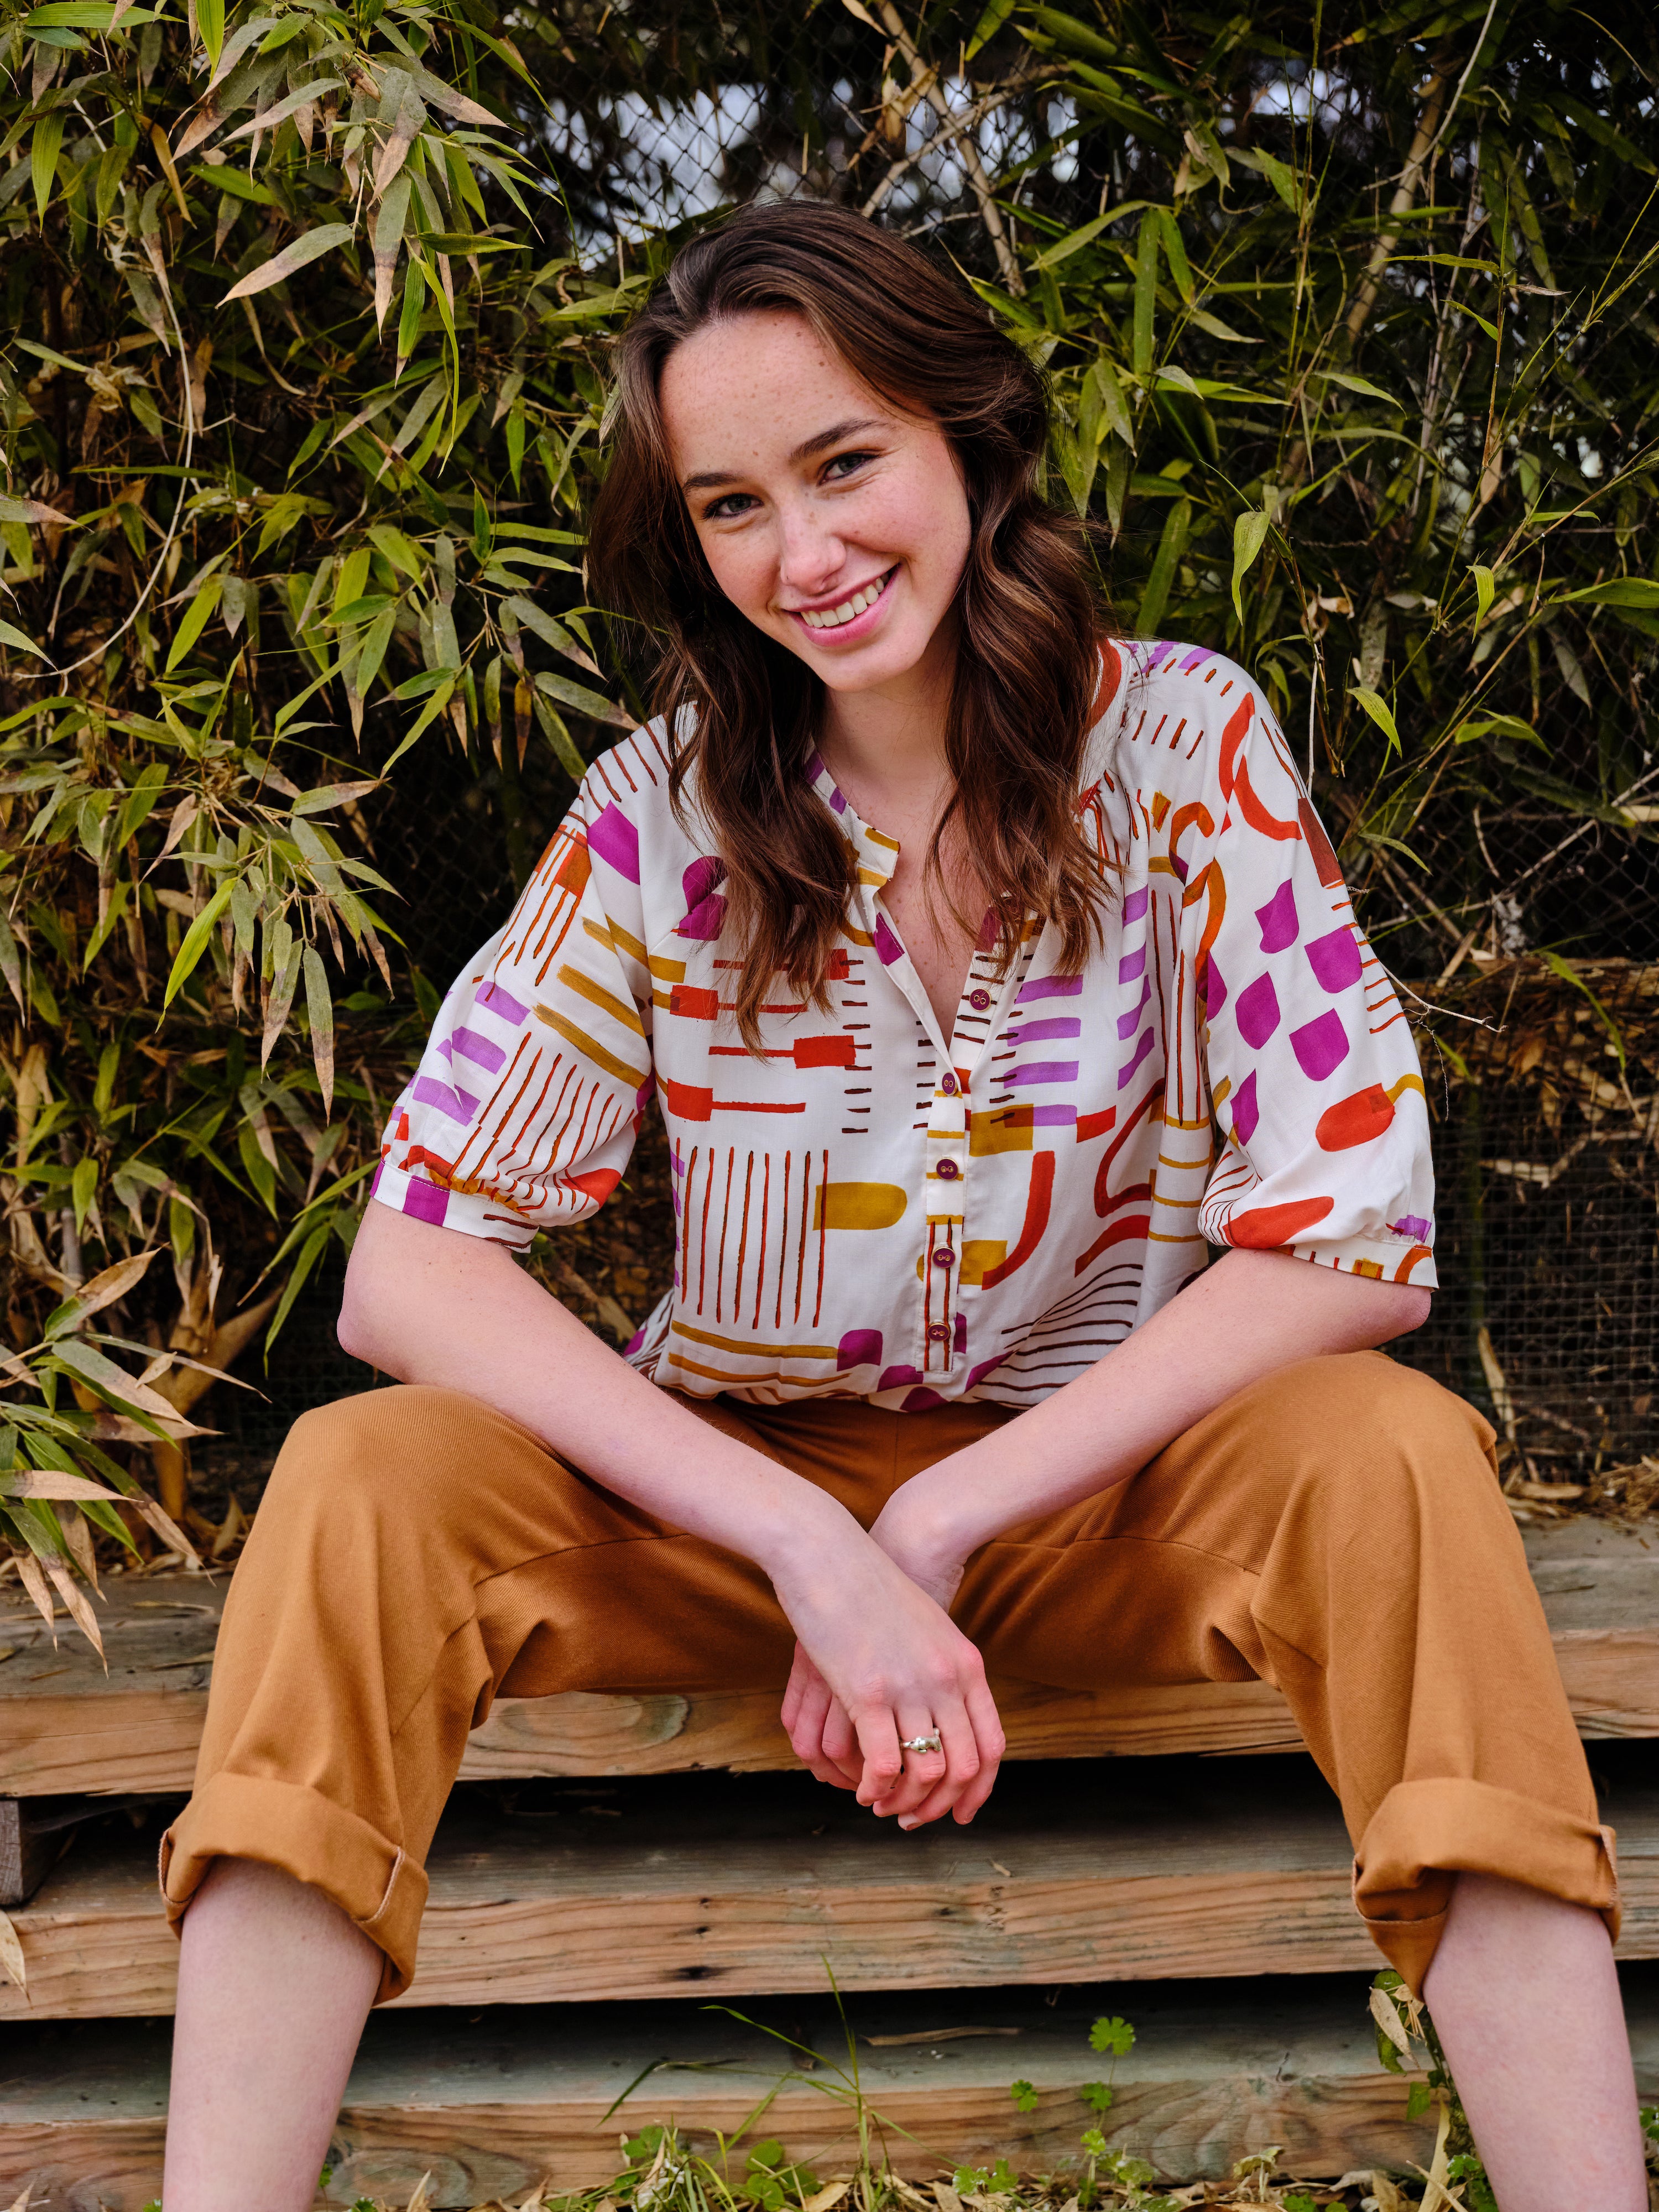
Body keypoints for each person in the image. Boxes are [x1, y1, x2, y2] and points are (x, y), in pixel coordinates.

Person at [158, 201, 1642, 2211]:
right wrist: (807, 1544)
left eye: (845, 463)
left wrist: (936, 1523)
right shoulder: (663, 813)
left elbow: (1353, 1228)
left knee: (1399, 1462)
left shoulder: (1183, 746)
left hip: (1109, 1482)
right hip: (736, 1503)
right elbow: (409, 1259)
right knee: (356, 1480)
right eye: (733, 505)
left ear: (969, 435)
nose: (805, 553)